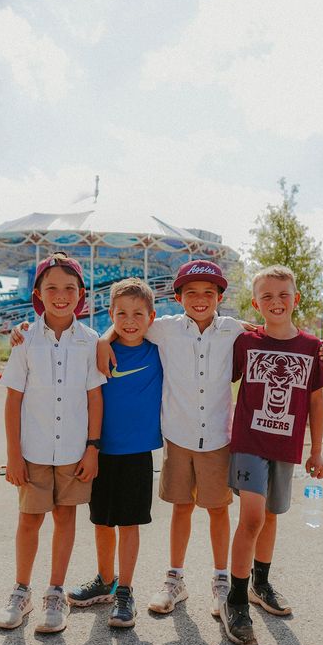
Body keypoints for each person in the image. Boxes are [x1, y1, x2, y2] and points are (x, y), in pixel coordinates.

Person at [98, 260, 248, 619]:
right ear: (178, 296)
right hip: (179, 437)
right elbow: (127, 323)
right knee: (180, 508)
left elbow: (269, 334)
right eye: (191, 293)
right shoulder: (163, 329)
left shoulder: (233, 329)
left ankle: (221, 581)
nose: (200, 299)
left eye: (208, 293)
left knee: (217, 510)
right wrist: (104, 339)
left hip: (216, 437)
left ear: (220, 297)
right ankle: (175, 580)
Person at [0, 252, 105, 633]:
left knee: (65, 518)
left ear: (81, 293)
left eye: (70, 288)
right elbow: (14, 399)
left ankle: (55, 594)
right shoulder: (25, 340)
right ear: (39, 293)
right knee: (28, 521)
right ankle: (21, 592)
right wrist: (13, 455)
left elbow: (94, 398)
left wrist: (93, 448)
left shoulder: (90, 340)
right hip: (34, 450)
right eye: (52, 288)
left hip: (74, 451)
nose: (61, 295)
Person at [220, 265, 323, 645]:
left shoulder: (311, 347)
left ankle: (260, 584)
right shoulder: (245, 343)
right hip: (249, 442)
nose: (276, 302)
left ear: (296, 298)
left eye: (283, 294)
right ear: (255, 303)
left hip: (287, 447)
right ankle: (234, 600)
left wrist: (316, 450)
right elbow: (214, 369)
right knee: (250, 517)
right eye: (266, 296)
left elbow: (316, 400)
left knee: (270, 515)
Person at [67, 278, 163, 628]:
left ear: (151, 317)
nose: (130, 320)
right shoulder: (98, 349)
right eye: (121, 313)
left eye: (138, 313)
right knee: (102, 521)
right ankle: (105, 580)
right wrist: (106, 338)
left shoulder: (158, 351)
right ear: (110, 315)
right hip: (101, 451)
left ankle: (125, 589)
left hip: (138, 454)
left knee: (129, 523)